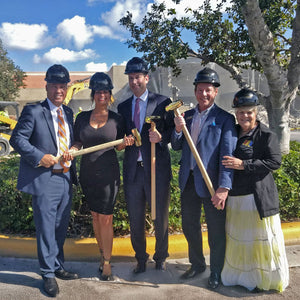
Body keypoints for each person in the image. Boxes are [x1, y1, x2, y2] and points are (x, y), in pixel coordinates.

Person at [10, 64, 79, 297]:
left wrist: (73, 148)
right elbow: (17, 140)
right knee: (46, 229)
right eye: (55, 86)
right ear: (47, 86)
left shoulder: (68, 113)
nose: (59, 90)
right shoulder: (34, 111)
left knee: (60, 227)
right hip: (45, 178)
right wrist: (40, 157)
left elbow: (73, 140)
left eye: (63, 86)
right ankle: (47, 274)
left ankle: (58, 266)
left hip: (66, 178)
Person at [64, 72, 134, 281]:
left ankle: (107, 263)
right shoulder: (82, 118)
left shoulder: (117, 119)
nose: (102, 95)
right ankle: (101, 255)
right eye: (98, 91)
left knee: (105, 218)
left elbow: (120, 146)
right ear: (93, 94)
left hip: (108, 175)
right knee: (95, 216)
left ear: (109, 95)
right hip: (88, 174)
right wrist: (72, 150)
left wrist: (126, 142)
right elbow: (78, 142)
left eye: (105, 91)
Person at [171, 67, 237, 289]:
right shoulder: (186, 116)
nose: (204, 94)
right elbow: (178, 146)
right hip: (189, 181)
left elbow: (228, 156)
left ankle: (216, 271)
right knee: (189, 226)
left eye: (208, 90)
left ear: (215, 91)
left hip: (212, 185)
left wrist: (224, 187)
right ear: (195, 91)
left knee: (216, 231)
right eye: (200, 90)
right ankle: (197, 264)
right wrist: (178, 130)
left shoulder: (225, 119)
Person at [220, 88, 289, 292]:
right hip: (236, 198)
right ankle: (242, 278)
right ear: (236, 113)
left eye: (248, 111)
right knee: (241, 240)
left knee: (259, 241)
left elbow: (274, 162)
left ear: (256, 112)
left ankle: (262, 279)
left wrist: (244, 164)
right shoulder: (232, 131)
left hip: (257, 199)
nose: (244, 116)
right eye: (240, 112)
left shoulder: (266, 134)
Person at [117, 57, 174, 273]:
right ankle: (140, 258)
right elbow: (119, 136)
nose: (134, 82)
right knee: (135, 218)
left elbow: (172, 132)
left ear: (146, 78)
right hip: (133, 171)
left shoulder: (162, 102)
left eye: (137, 77)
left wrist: (161, 137)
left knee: (160, 217)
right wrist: (122, 142)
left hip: (156, 169)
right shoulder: (123, 107)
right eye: (130, 78)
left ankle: (161, 256)